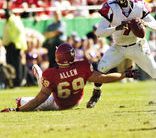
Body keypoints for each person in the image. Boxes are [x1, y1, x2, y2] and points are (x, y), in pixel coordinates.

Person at [0, 43, 139, 112]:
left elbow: (38, 101)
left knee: (21, 101)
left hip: (58, 103)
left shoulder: (51, 73)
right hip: (76, 101)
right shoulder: (83, 66)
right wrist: (124, 74)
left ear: (58, 57)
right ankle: (40, 78)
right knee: (43, 83)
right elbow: (105, 78)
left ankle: (39, 78)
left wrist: (17, 110)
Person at [87, 0, 156, 108]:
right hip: (118, 47)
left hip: (137, 45)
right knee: (101, 69)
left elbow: (154, 24)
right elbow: (99, 32)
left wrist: (145, 23)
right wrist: (116, 28)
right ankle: (97, 92)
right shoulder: (110, 7)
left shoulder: (139, 6)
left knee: (154, 71)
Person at [2, 9, 27, 87]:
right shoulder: (9, 21)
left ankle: (18, 81)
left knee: (16, 64)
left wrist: (13, 41)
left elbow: (18, 31)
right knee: (11, 64)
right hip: (10, 45)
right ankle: (12, 81)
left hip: (15, 45)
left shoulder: (13, 20)